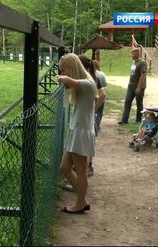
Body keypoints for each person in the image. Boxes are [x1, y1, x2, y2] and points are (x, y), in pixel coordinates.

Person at [58, 53, 98, 214]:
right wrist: (64, 78)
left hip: (81, 132)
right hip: (78, 130)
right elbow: (69, 82)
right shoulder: (83, 83)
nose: (63, 73)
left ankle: (80, 203)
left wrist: (61, 78)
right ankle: (83, 199)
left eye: (64, 70)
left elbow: (68, 81)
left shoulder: (87, 83)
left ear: (72, 68)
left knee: (81, 171)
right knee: (65, 167)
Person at [118, 48, 147, 124]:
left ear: (137, 53)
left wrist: (139, 87)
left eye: (133, 53)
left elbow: (143, 75)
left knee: (139, 103)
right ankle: (124, 119)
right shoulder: (134, 62)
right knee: (127, 101)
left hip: (138, 87)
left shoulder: (142, 63)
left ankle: (138, 120)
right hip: (131, 86)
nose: (132, 55)